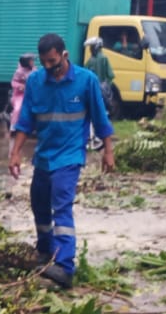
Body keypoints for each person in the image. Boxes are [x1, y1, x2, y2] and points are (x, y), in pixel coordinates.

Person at [8, 34, 116, 290]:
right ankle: (45, 252)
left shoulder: (85, 81)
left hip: (69, 156)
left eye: (53, 62)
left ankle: (66, 266)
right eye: (44, 62)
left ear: (64, 55)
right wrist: (15, 152)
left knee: (61, 205)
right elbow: (25, 120)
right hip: (44, 156)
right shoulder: (36, 81)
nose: (49, 67)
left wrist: (108, 150)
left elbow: (100, 118)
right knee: (39, 204)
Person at [7, 53, 33, 160]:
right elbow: (13, 83)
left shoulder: (34, 70)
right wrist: (21, 86)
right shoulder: (19, 72)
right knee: (18, 109)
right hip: (20, 95)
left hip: (31, 94)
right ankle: (13, 128)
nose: (32, 62)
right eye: (30, 60)